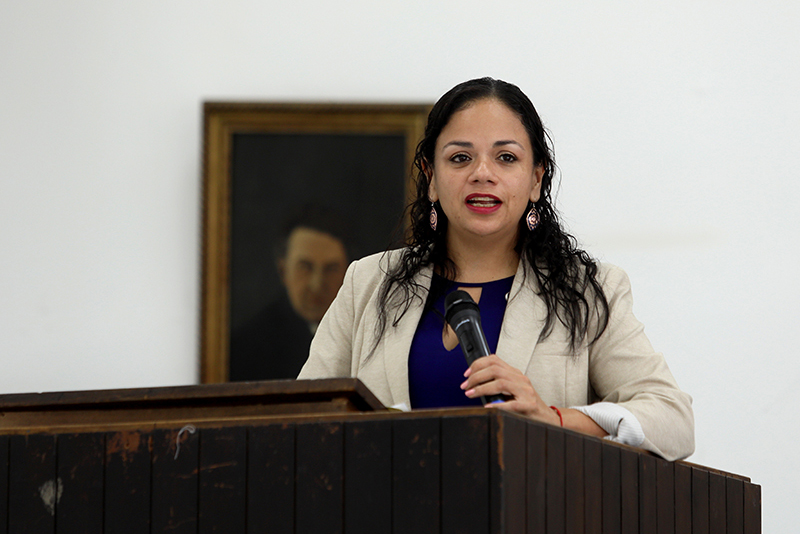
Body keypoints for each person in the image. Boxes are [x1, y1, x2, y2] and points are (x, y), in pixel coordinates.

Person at [298, 78, 694, 461]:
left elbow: (673, 421)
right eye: (460, 158)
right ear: (431, 177)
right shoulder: (368, 282)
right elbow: (301, 416)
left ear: (536, 179)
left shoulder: (589, 291)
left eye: (506, 158)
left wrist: (554, 419)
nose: (482, 173)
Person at [230, 206, 350, 381]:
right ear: (283, 270)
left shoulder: (359, 334)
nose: (317, 285)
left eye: (331, 269)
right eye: (305, 267)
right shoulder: (250, 346)